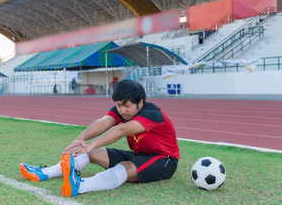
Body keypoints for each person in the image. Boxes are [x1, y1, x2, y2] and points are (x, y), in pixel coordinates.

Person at [20, 80, 180, 197]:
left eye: (127, 106)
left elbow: (121, 129)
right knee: (90, 152)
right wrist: (80, 140)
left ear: (140, 103)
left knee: (124, 166)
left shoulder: (153, 113)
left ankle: (80, 186)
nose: (122, 110)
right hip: (140, 155)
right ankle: (44, 173)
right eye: (119, 105)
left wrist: (91, 144)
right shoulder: (123, 110)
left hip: (164, 160)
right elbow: (103, 123)